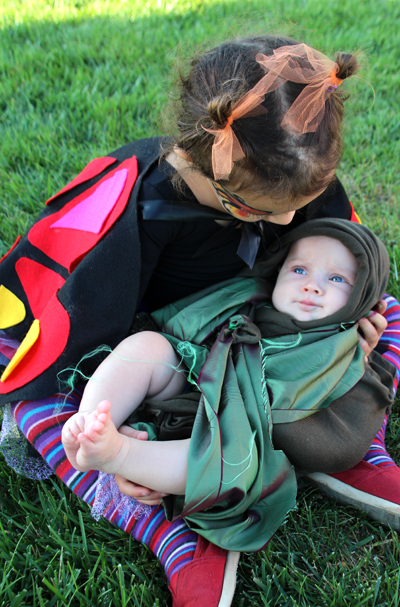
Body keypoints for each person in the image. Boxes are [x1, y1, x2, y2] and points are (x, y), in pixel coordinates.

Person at [0, 36, 399, 605]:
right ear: (197, 161)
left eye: (301, 200)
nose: (288, 219)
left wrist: (351, 324)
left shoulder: (288, 166)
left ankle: (358, 442)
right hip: (160, 336)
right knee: (44, 405)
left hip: (263, 318)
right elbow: (78, 321)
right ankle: (167, 529)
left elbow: (340, 250)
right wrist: (112, 420)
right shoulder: (136, 203)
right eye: (261, 210)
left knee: (386, 314)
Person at [60, 218, 395, 554]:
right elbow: (183, 333)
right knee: (149, 346)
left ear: (362, 295)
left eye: (336, 278)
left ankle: (119, 453)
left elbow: (340, 440)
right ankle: (91, 422)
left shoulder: (350, 358)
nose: (311, 286)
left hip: (240, 437)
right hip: (192, 385)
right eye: (298, 270)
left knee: (228, 462)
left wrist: (348, 371)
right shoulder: (246, 302)